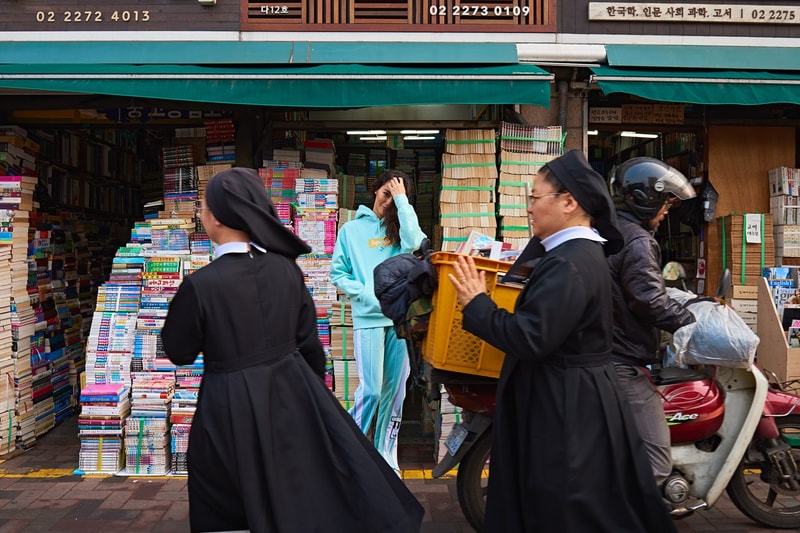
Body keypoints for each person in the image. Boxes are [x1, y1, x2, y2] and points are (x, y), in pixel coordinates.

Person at [161, 168, 424, 533]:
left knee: (229, 497)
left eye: (204, 208)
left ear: (218, 218)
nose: (202, 215)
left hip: (227, 406)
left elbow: (178, 350)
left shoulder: (201, 285)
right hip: (287, 396)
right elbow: (311, 347)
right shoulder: (286, 271)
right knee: (290, 487)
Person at [448, 150, 677, 532]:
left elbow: (531, 336)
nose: (530, 209)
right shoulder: (574, 255)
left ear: (569, 202)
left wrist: (477, 304)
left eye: (535, 198)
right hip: (570, 398)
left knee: (565, 505)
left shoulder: (571, 261)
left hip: (567, 409)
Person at [608, 157, 697, 491]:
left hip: (603, 351)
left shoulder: (608, 228)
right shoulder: (638, 241)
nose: (667, 210)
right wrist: (691, 322)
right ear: (645, 198)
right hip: (622, 361)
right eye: (665, 202)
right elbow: (649, 301)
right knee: (654, 462)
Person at [330, 169, 426, 473]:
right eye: (386, 194)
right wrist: (366, 294)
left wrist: (403, 204)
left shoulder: (400, 228)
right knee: (371, 390)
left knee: (395, 394)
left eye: (395, 197)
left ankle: (386, 457)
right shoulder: (350, 231)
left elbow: (415, 244)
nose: (388, 202)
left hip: (401, 322)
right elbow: (338, 274)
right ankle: (348, 453)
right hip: (369, 320)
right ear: (375, 191)